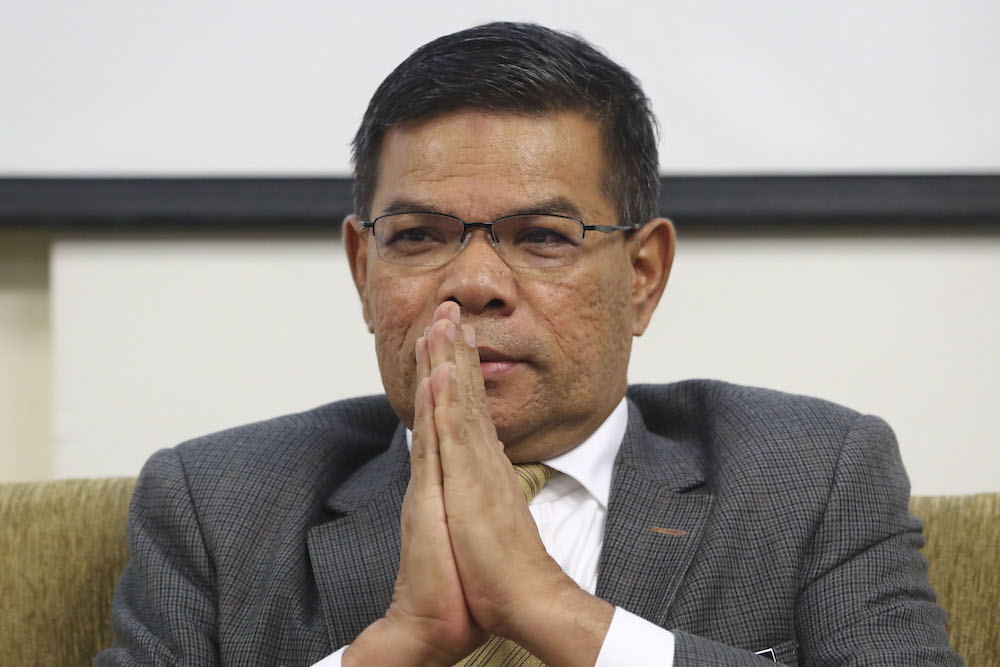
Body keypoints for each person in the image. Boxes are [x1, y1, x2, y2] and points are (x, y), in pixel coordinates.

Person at [97, 22, 960, 667]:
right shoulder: (217, 504)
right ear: (364, 270)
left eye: (541, 236)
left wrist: (551, 608)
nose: (474, 282)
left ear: (645, 274)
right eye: (420, 235)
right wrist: (396, 645)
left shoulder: (812, 475)